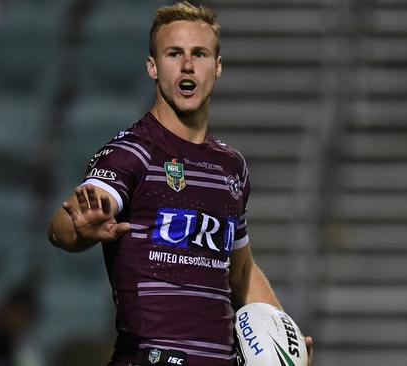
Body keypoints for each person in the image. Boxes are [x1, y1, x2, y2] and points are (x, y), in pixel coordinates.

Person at [47, 2, 313, 365]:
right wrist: (77, 229)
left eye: (199, 54)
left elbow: (241, 271)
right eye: (174, 54)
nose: (188, 65)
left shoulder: (231, 166)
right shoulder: (132, 153)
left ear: (217, 67)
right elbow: (63, 227)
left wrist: (286, 337)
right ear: (153, 67)